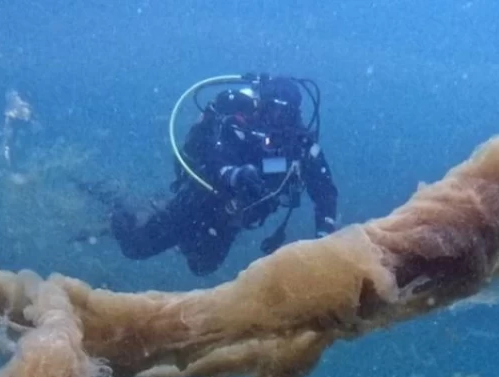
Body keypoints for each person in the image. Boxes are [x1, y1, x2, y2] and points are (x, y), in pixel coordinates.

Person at [109, 74, 339, 276]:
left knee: (201, 266)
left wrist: (325, 237)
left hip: (231, 218)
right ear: (261, 107)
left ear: (295, 113)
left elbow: (325, 192)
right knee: (135, 248)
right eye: (272, 109)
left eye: (285, 112)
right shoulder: (237, 127)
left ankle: (173, 228)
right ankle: (115, 205)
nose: (277, 117)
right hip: (199, 200)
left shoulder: (301, 147)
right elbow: (208, 153)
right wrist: (233, 174)